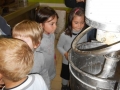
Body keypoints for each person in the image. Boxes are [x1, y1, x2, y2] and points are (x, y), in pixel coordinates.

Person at [12, 20, 50, 89]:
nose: (19, 44)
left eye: (23, 41)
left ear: (36, 44)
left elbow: (44, 73)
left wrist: (47, 86)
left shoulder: (40, 57)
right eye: (16, 40)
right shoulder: (11, 57)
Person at [57, 7, 87, 90]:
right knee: (65, 77)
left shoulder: (84, 34)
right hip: (67, 61)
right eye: (76, 22)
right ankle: (64, 87)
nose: (79, 25)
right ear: (70, 21)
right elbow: (59, 46)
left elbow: (84, 46)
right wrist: (65, 53)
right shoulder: (64, 34)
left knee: (75, 77)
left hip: (78, 62)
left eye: (82, 22)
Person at [35, 6, 58, 81]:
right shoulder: (38, 40)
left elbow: (52, 47)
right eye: (52, 24)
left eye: (56, 23)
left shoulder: (52, 34)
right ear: (41, 25)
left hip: (50, 66)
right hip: (41, 71)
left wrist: (54, 57)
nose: (55, 27)